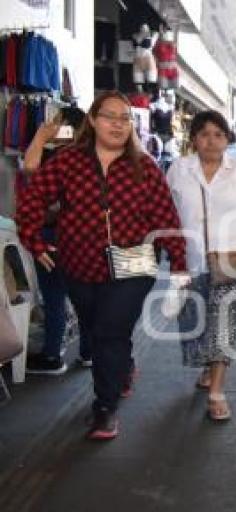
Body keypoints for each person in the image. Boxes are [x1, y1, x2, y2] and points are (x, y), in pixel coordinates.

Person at [16, 91, 188, 440]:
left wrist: (180, 267)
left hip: (133, 264)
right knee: (97, 331)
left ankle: (105, 408)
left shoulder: (146, 167)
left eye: (124, 118)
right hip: (79, 263)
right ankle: (122, 369)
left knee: (111, 330)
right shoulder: (67, 162)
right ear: (93, 121)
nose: (118, 124)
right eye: (110, 116)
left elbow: (166, 218)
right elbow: (32, 198)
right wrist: (33, 241)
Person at [167, 110, 236, 421]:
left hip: (232, 259)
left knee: (225, 327)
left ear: (227, 139)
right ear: (194, 139)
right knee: (196, 325)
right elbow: (165, 212)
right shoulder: (178, 170)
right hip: (191, 260)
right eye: (204, 134)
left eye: (218, 134)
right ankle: (207, 365)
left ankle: (216, 391)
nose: (211, 141)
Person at [20, 107, 92, 375]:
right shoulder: (90, 156)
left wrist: (39, 137)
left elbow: (29, 170)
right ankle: (88, 352)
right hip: (83, 236)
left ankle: (52, 356)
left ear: (69, 128)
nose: (52, 127)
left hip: (54, 234)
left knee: (54, 296)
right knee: (84, 295)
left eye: (57, 123)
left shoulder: (59, 157)